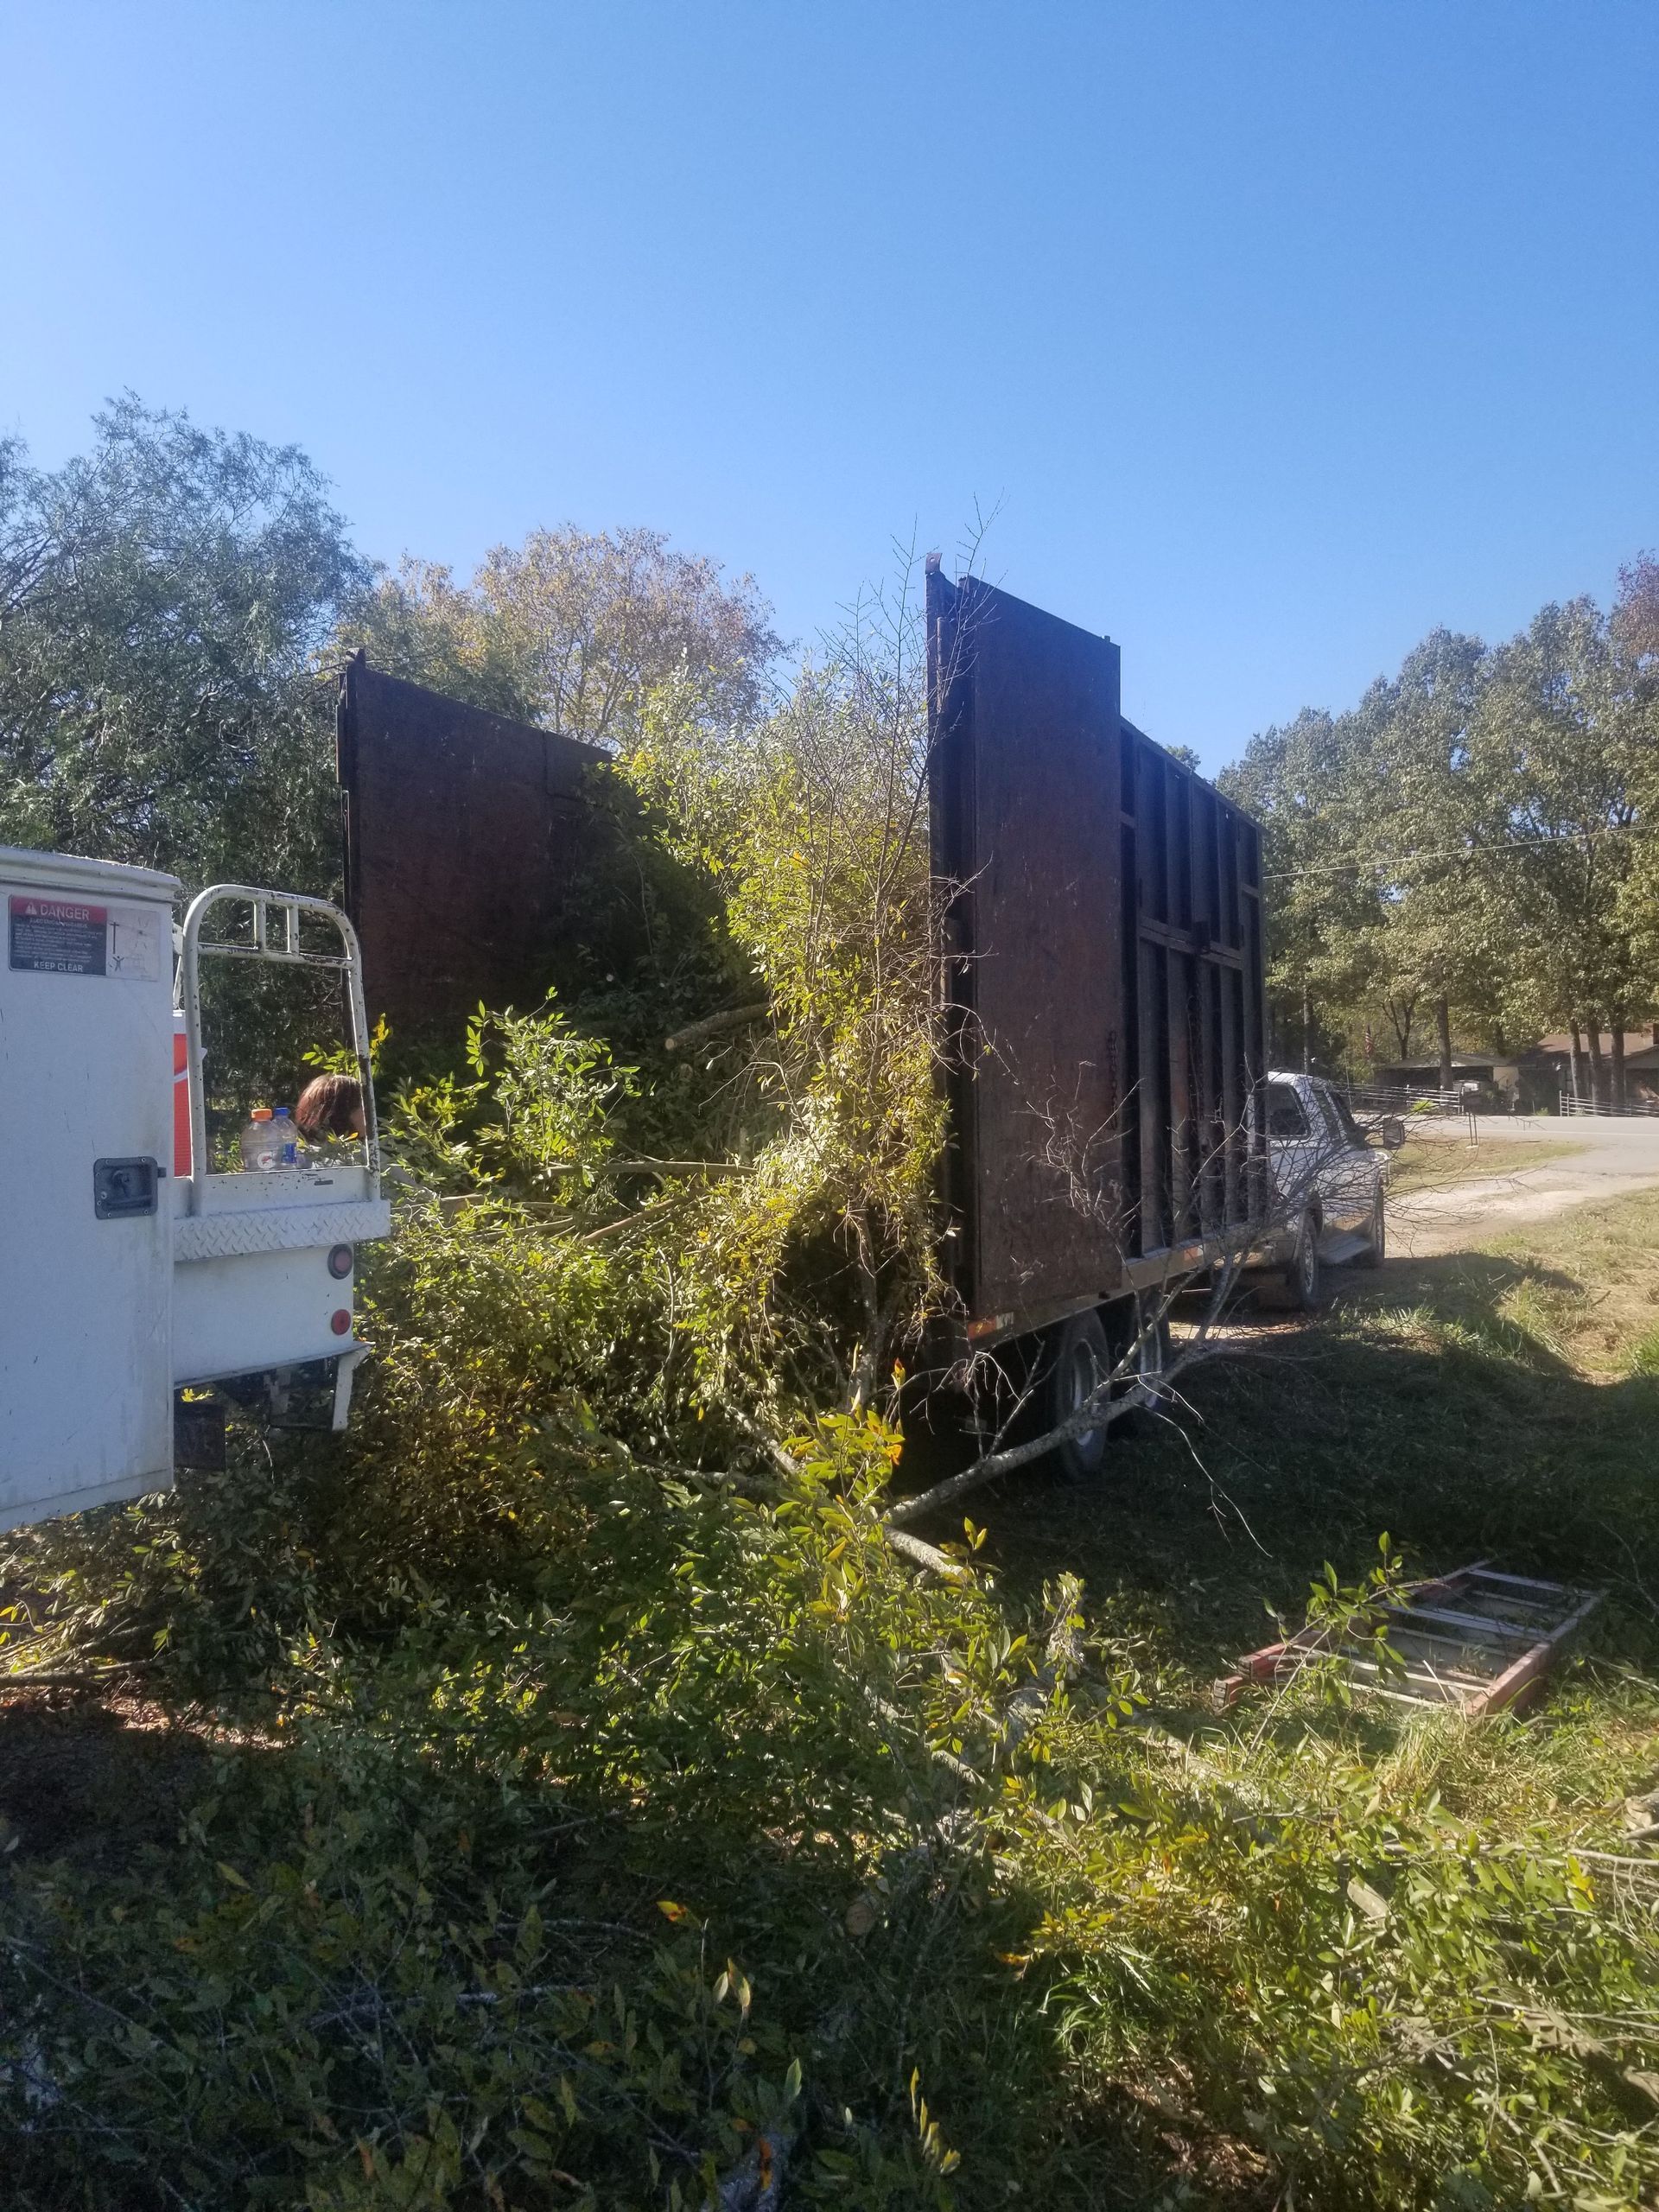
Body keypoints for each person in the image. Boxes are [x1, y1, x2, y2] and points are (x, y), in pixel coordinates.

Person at [295, 1072, 365, 1151]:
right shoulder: (358, 1158)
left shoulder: (307, 1154)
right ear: (343, 1111)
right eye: (362, 1105)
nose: (367, 1112)